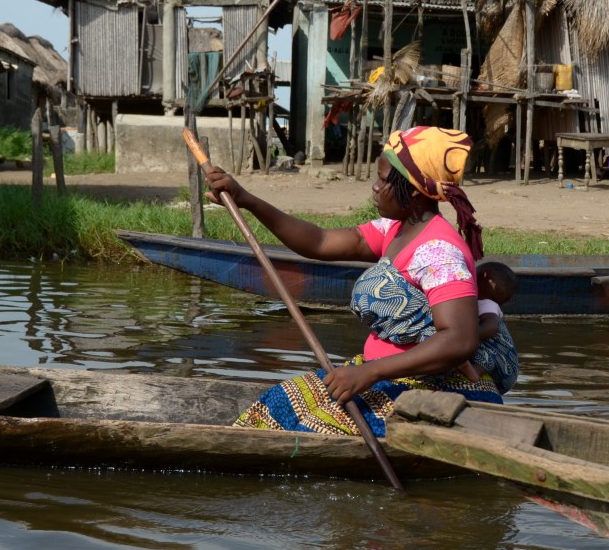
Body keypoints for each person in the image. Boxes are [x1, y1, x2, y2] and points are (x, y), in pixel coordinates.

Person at [203, 126, 503, 437]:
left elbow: (459, 339)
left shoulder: (439, 252)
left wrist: (369, 373)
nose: (375, 187)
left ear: (414, 190)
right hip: (379, 370)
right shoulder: (394, 229)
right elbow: (319, 241)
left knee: (313, 430)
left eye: (383, 180)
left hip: (432, 387)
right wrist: (247, 200)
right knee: (273, 408)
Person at [457, 261, 519, 394]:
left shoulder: (486, 304)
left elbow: (492, 327)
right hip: (504, 371)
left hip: (502, 364)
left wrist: (467, 337)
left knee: (480, 351)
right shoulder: (489, 305)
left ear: (483, 276)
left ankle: (474, 371)